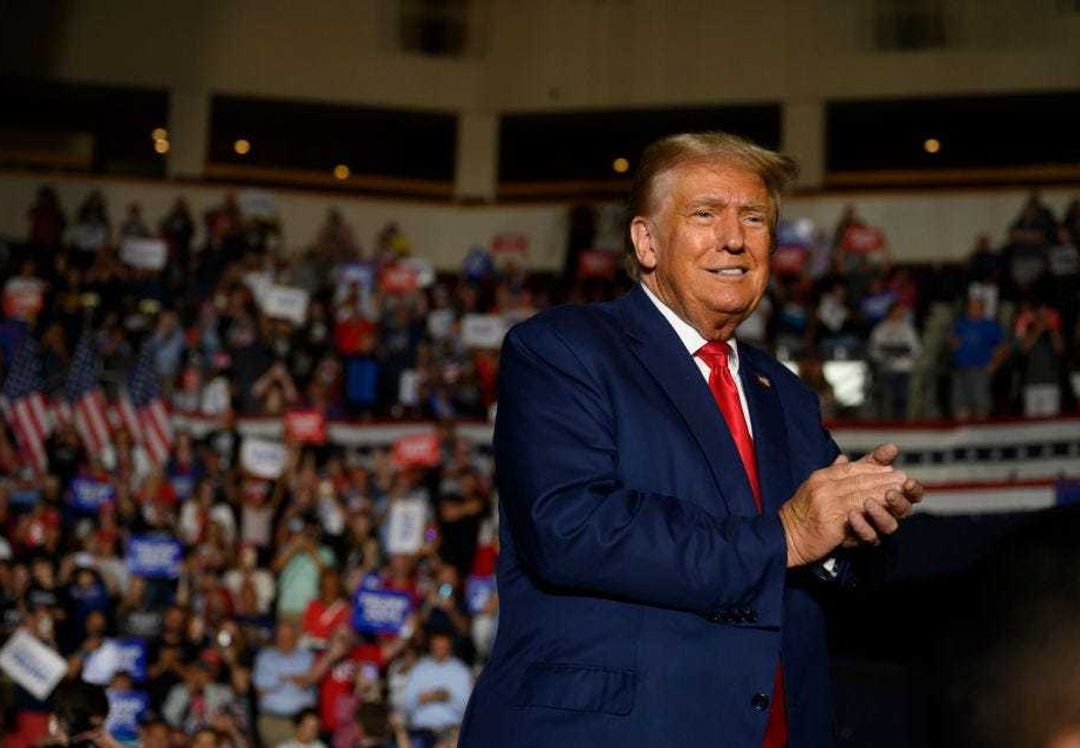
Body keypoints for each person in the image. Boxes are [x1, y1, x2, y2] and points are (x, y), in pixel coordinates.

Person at [459, 133, 924, 747]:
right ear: (645, 241)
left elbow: (830, 557)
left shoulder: (783, 392)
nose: (735, 238)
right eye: (706, 214)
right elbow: (570, 526)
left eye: (754, 218)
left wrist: (855, 526)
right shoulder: (562, 350)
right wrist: (785, 536)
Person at [403, 631, 471, 748]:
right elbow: (406, 705)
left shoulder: (461, 671)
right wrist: (421, 699)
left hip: (451, 731)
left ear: (450, 646)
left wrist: (448, 697)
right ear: (431, 646)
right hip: (422, 730)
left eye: (443, 646)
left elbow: (468, 710)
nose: (439, 649)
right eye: (436, 646)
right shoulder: (419, 669)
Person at [949, 296, 1008, 421]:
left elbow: (1003, 347)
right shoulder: (960, 323)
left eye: (977, 307)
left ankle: (981, 437)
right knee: (960, 403)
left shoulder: (990, 325)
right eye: (971, 306)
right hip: (960, 368)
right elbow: (953, 342)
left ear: (982, 309)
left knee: (981, 404)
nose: (974, 309)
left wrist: (994, 364)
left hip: (980, 369)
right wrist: (952, 343)